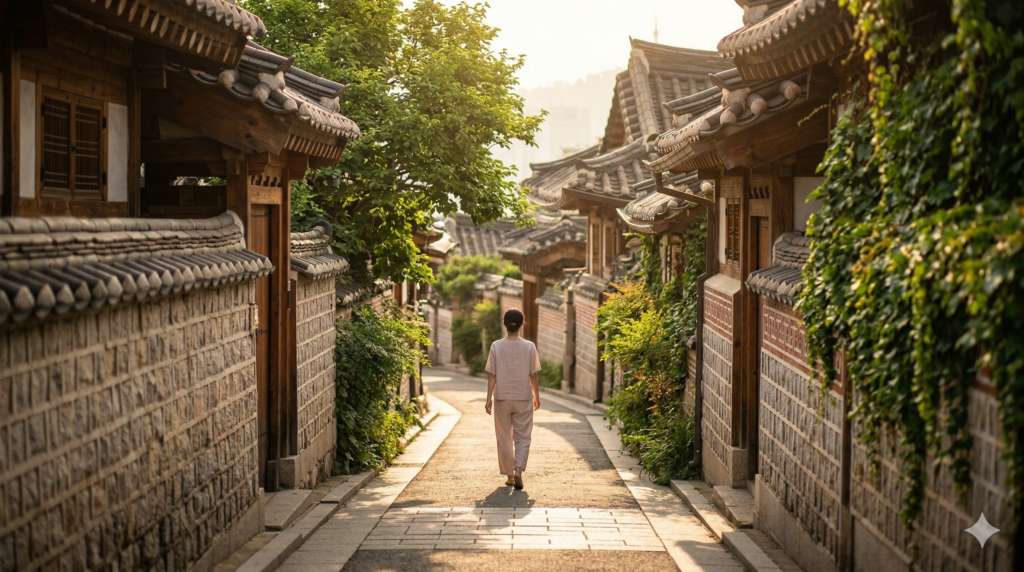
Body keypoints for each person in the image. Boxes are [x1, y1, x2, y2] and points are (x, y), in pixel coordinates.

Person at [485, 308, 541, 490]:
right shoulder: (529, 346)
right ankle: (518, 471)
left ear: (505, 324)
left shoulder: (496, 346)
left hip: (501, 397)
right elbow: (533, 375)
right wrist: (536, 396)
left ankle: (509, 475)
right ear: (522, 324)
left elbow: (492, 375)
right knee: (523, 437)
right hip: (523, 397)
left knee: (504, 437)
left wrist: (488, 398)